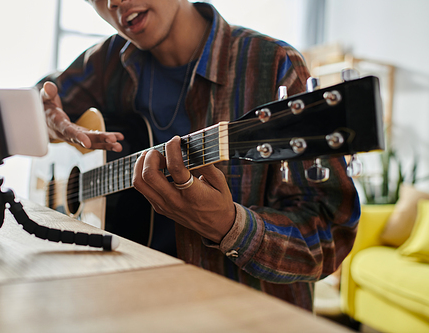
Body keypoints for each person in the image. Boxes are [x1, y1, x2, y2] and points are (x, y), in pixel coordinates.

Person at [39, 0, 360, 311]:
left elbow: (329, 237)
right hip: (121, 300)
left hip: (238, 316)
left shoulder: (272, 64)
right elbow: (41, 99)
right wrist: (48, 122)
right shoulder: (107, 61)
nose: (114, 1)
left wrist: (228, 226)